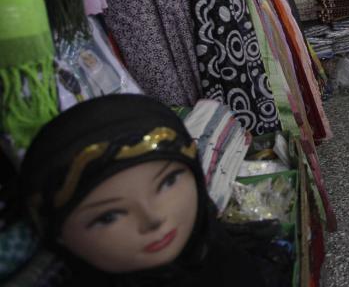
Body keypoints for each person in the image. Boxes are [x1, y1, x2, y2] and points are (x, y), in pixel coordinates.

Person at [17, 94, 290, 286]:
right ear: (57, 234)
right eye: (108, 216)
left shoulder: (221, 255)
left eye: (168, 182)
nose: (153, 219)